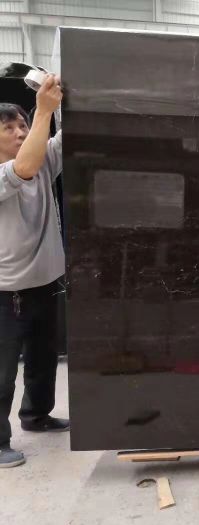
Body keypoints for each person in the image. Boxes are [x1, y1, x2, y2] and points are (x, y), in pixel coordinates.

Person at [0, 74, 68, 468]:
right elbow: (23, 168)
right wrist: (44, 110)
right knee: (2, 371)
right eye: (9, 128)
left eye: (23, 124)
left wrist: (70, 97)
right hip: (6, 292)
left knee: (43, 359)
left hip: (45, 283)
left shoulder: (41, 162)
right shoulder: (15, 171)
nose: (21, 132)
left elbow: (65, 140)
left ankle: (37, 416)